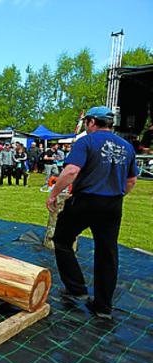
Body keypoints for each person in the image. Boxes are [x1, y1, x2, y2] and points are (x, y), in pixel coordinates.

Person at [47, 106, 137, 320]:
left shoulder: (86, 142)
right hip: (113, 204)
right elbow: (131, 180)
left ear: (91, 122)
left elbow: (71, 171)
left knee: (62, 239)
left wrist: (53, 194)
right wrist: (118, 195)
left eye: (86, 122)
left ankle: (76, 287)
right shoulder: (127, 147)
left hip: (86, 200)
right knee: (107, 252)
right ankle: (103, 307)